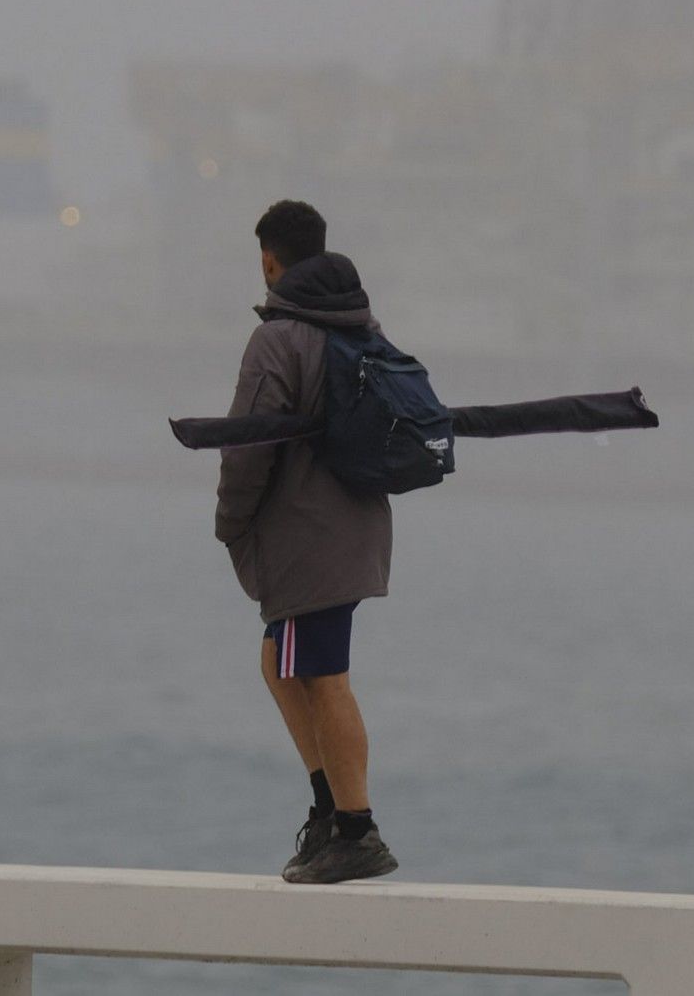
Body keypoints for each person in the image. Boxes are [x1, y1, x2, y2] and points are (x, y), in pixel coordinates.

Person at [215, 199, 398, 884]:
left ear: (269, 259)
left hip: (308, 537)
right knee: (281, 662)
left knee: (323, 677)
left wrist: (230, 520)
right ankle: (330, 812)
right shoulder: (362, 328)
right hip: (357, 526)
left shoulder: (280, 338)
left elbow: (247, 445)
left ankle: (356, 828)